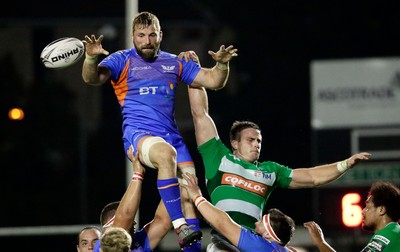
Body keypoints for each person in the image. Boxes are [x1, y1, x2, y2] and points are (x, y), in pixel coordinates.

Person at [81, 11, 237, 248]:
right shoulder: (121, 60)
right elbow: (92, 78)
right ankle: (179, 225)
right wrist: (90, 59)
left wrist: (222, 65)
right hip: (139, 135)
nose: (147, 41)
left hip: (171, 137)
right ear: (133, 35)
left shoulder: (173, 62)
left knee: (188, 192)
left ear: (160, 35)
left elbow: (214, 80)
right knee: (166, 155)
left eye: (152, 35)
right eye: (141, 35)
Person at [186, 82, 371, 251]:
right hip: (223, 241)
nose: (256, 144)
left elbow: (312, 177)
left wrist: (345, 164)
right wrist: (192, 74)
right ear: (234, 143)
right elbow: (200, 114)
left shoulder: (270, 170)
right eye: (250, 140)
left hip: (254, 242)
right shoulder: (218, 157)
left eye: (259, 140)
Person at [181, 172, 296, 252]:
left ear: (267, 234)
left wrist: (197, 197)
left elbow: (223, 223)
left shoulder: (260, 246)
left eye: (261, 222)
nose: (256, 223)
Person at [303, 181, 400, 252]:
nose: (362, 211)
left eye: (367, 206)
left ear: (381, 209)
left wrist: (320, 243)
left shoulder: (386, 235)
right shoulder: (394, 232)